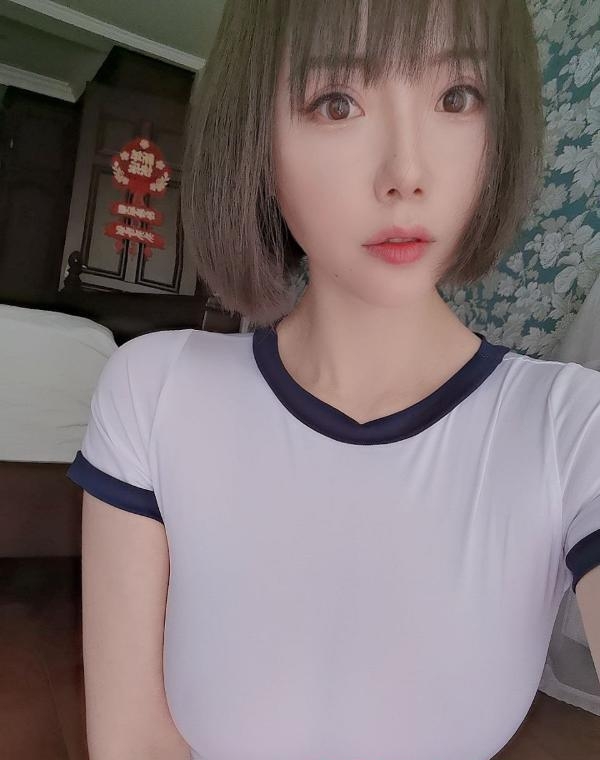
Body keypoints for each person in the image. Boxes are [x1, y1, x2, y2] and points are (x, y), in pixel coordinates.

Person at [67, 1, 600, 759]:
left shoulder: (572, 428)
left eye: (457, 97)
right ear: (256, 138)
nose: (407, 173)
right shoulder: (154, 392)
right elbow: (135, 745)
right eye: (337, 102)